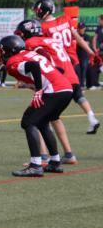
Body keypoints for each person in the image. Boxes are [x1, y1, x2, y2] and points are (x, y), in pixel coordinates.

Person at [0, 35, 72, 177]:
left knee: (28, 121)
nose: (1, 53)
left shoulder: (14, 61)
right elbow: (58, 70)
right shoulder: (32, 53)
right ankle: (55, 162)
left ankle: (35, 165)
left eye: (3, 50)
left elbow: (34, 66)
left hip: (54, 90)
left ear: (10, 50)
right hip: (66, 89)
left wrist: (39, 89)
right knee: (42, 122)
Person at [15, 19, 80, 165]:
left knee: (35, 118)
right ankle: (68, 154)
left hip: (56, 81)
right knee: (53, 117)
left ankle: (43, 157)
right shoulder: (50, 40)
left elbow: (43, 55)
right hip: (69, 79)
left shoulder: (31, 42)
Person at [33, 0, 99, 134]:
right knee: (77, 94)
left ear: (45, 11)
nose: (36, 13)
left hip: (58, 65)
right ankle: (92, 118)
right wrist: (91, 52)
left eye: (38, 10)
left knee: (49, 95)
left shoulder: (43, 28)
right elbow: (78, 38)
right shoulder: (65, 20)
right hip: (72, 62)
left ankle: (47, 124)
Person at [76, 22, 89, 88]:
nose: (81, 29)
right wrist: (81, 42)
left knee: (83, 70)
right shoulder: (76, 35)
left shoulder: (86, 36)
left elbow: (86, 44)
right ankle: (78, 84)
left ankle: (82, 84)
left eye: (82, 28)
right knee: (77, 70)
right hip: (76, 56)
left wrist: (79, 42)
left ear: (84, 28)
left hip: (84, 56)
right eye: (80, 28)